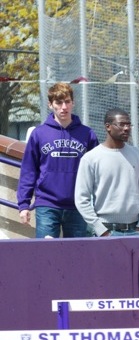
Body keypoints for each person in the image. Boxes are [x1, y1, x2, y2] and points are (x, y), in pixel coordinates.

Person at [17, 81, 99, 238]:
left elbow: (97, 172)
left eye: (67, 102)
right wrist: (24, 205)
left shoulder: (87, 134)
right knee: (46, 256)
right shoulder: (39, 134)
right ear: (50, 105)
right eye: (59, 102)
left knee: (77, 255)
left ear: (73, 103)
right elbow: (29, 171)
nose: (64, 107)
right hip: (47, 204)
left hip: (78, 205)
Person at [74, 108, 139, 237]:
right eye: (121, 124)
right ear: (108, 127)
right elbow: (82, 199)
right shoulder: (91, 158)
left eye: (128, 124)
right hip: (106, 231)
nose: (126, 128)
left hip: (136, 230)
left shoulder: (137, 155)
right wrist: (101, 230)